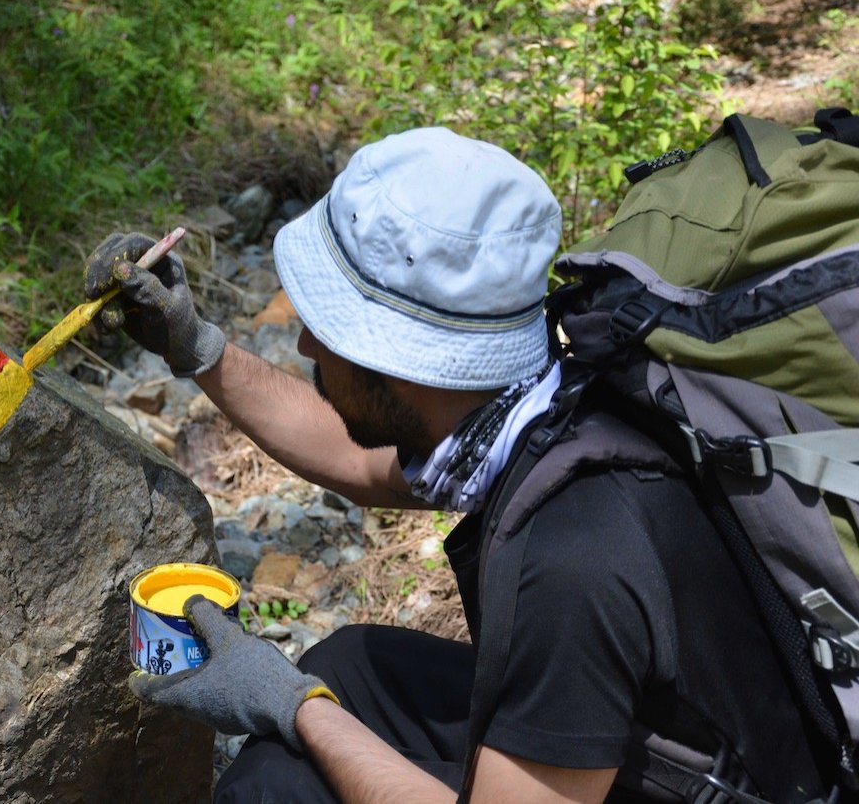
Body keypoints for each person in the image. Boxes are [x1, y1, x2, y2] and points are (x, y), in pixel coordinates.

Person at [83, 127, 827, 802]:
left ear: (401, 361)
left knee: (280, 783)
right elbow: (357, 453)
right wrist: (195, 346)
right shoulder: (558, 401)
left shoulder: (575, 558)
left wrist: (293, 705)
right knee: (354, 666)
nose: (305, 347)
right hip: (692, 734)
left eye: (329, 329)